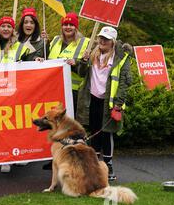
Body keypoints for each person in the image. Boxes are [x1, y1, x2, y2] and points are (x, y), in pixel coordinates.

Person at [76, 26, 132, 181]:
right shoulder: (92, 53)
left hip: (109, 103)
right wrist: (83, 61)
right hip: (92, 99)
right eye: (101, 37)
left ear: (113, 42)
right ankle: (94, 166)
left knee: (107, 134)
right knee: (95, 133)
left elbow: (125, 82)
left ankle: (108, 165)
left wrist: (119, 103)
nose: (102, 41)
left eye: (106, 39)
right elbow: (81, 73)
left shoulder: (121, 59)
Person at [0, 16, 31, 173]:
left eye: (9, 26)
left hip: (10, 93)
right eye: (3, 26)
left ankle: (7, 158)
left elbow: (29, 64)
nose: (5, 29)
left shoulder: (21, 47)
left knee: (8, 126)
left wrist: (37, 59)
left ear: (13, 30)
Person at [43, 12, 89, 170]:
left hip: (74, 91)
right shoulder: (55, 41)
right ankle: (56, 157)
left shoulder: (86, 43)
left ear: (76, 27)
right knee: (57, 127)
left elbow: (85, 71)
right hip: (56, 90)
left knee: (70, 128)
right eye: (65, 24)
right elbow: (49, 62)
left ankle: (73, 159)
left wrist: (76, 63)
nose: (68, 27)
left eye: (71, 25)